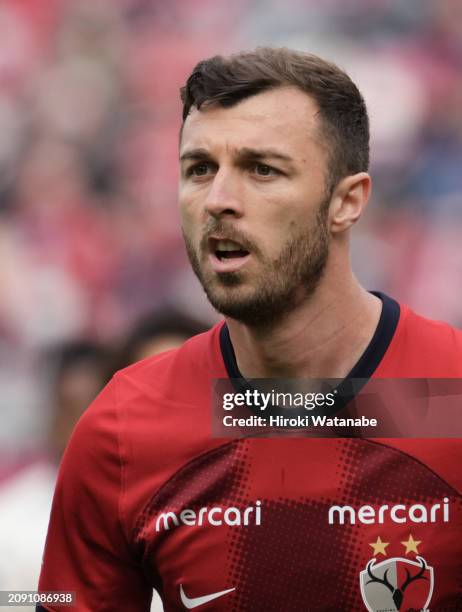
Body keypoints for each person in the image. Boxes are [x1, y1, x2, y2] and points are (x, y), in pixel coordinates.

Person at [38, 48, 462, 611]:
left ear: (348, 201)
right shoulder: (122, 429)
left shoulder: (450, 392)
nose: (218, 201)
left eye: (263, 169)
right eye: (199, 169)